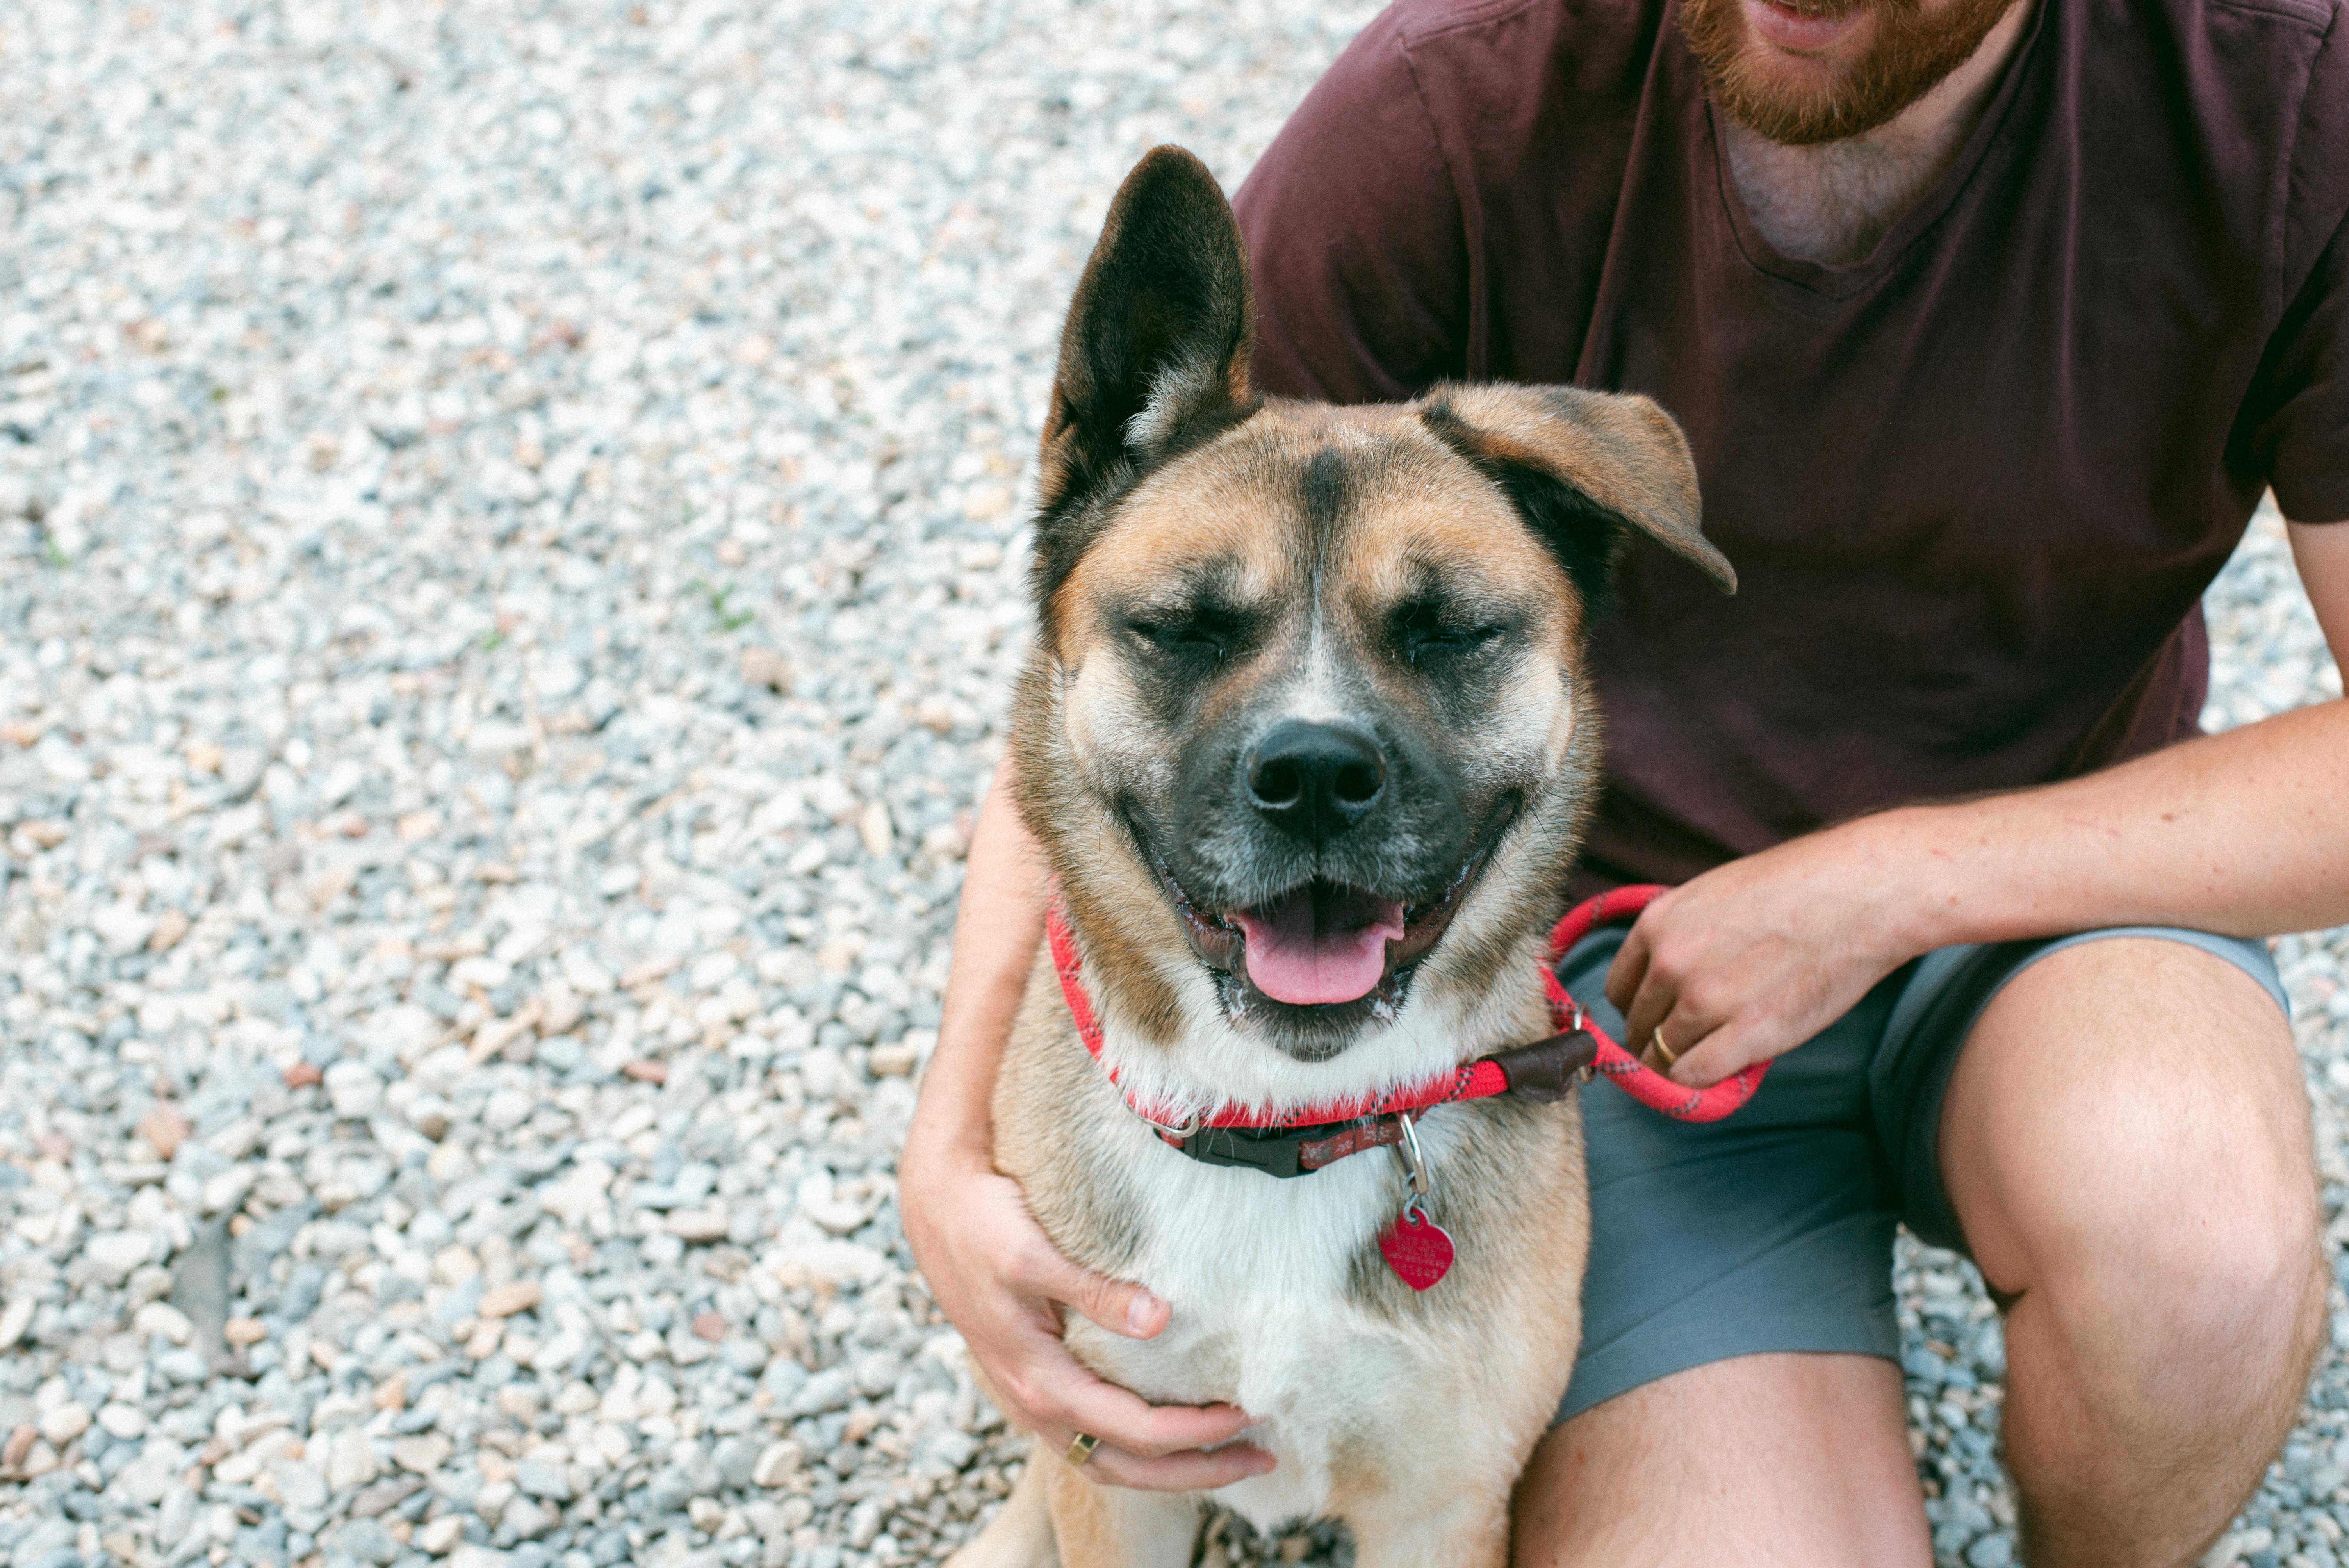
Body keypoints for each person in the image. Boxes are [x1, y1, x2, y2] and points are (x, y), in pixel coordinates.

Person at [900, 0, 2349, 1559]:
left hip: (2054, 918)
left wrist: (1885, 886)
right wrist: (952, 1141)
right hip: (1592, 1017)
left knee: (2195, 1254)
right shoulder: (1449, 107)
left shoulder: (2281, 96)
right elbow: (1121, 624)